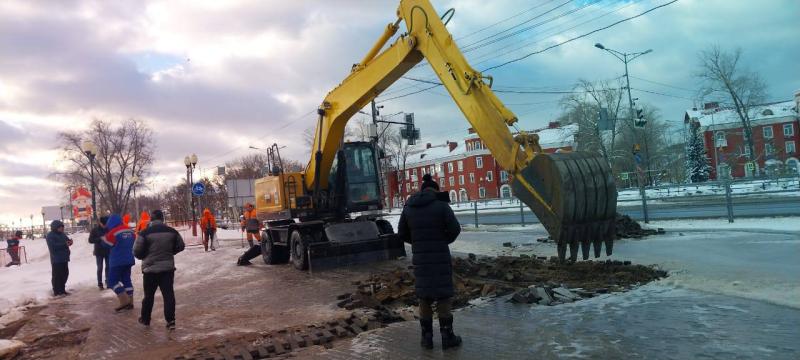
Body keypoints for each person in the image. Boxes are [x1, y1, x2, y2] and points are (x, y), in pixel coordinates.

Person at [397, 174, 463, 350]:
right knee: (443, 296)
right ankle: (447, 337)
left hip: (421, 259)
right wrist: (443, 241)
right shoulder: (441, 206)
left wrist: (417, 243)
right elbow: (455, 229)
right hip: (440, 257)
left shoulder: (409, 207)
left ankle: (426, 339)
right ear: (435, 189)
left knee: (424, 296)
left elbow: (401, 233)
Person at [134, 209, 184, 330]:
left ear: (151, 219)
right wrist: (170, 253)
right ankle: (170, 320)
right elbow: (181, 246)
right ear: (162, 219)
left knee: (149, 296)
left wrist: (144, 257)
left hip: (150, 270)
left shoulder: (144, 233)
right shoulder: (172, 231)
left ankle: (145, 319)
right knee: (168, 295)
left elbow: (137, 251)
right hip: (167, 269)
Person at [102, 214, 136, 312]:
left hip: (117, 261)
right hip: (129, 259)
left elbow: (106, 244)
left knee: (111, 281)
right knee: (126, 280)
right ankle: (130, 302)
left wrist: (104, 236)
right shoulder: (130, 230)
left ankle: (124, 300)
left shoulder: (113, 232)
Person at [46, 220, 73, 297]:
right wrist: (65, 244)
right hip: (56, 259)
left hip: (64, 258)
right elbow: (53, 247)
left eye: (62, 227)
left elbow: (67, 241)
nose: (62, 229)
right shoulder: (50, 235)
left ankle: (62, 289)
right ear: (55, 228)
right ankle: (57, 291)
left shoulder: (62, 234)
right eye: (60, 227)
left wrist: (70, 242)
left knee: (65, 274)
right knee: (57, 275)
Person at [88, 216, 110, 289]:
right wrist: (99, 239)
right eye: (103, 224)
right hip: (99, 252)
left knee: (108, 267)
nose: (104, 225)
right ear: (100, 223)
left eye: (105, 224)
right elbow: (90, 240)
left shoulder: (109, 229)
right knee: (100, 267)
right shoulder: (95, 230)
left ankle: (108, 281)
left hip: (108, 251)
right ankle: (100, 283)